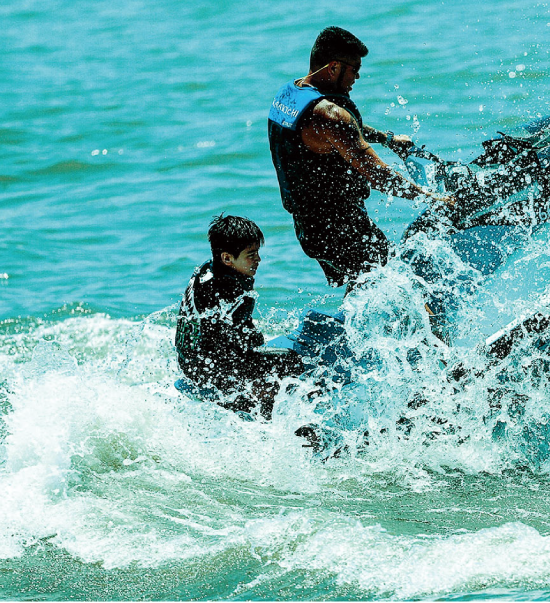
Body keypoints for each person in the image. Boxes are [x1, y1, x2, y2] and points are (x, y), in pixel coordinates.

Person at [268, 26, 453, 288]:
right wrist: (431, 198)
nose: (357, 77)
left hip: (309, 226)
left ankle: (357, 327)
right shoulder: (331, 116)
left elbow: (341, 131)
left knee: (368, 284)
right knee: (394, 282)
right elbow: (379, 175)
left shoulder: (290, 95)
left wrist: (387, 139)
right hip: (339, 229)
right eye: (354, 69)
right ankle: (434, 329)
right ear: (333, 68)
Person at [175, 214, 304, 419]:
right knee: (291, 360)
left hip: (188, 363)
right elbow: (236, 344)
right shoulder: (232, 288)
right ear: (227, 258)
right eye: (251, 254)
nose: (258, 260)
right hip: (211, 370)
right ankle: (276, 418)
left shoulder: (207, 269)